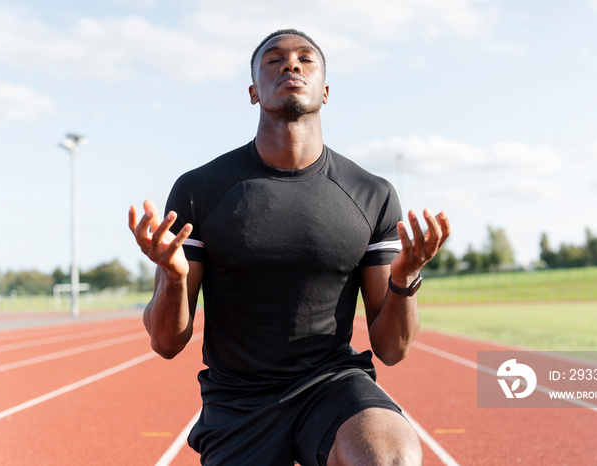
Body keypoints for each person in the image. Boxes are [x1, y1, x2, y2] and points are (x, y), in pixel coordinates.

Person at [129, 28, 450, 466]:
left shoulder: (371, 193)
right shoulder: (199, 190)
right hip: (239, 398)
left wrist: (404, 279)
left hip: (332, 383)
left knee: (390, 456)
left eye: (305, 58)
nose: (291, 65)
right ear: (253, 92)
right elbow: (166, 343)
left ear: (326, 90)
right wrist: (173, 275)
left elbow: (392, 350)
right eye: (274, 59)